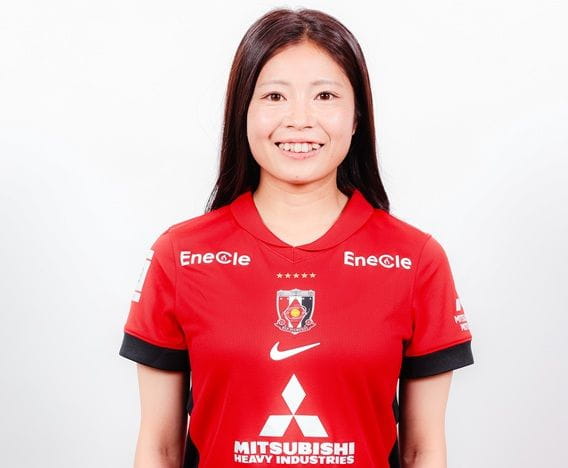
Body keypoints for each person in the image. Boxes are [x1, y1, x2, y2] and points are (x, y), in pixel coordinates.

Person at [119, 7, 474, 468]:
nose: (300, 119)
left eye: (325, 95)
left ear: (357, 116)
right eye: (274, 96)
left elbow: (422, 450)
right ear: (242, 111)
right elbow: (160, 448)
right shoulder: (181, 255)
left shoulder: (415, 259)